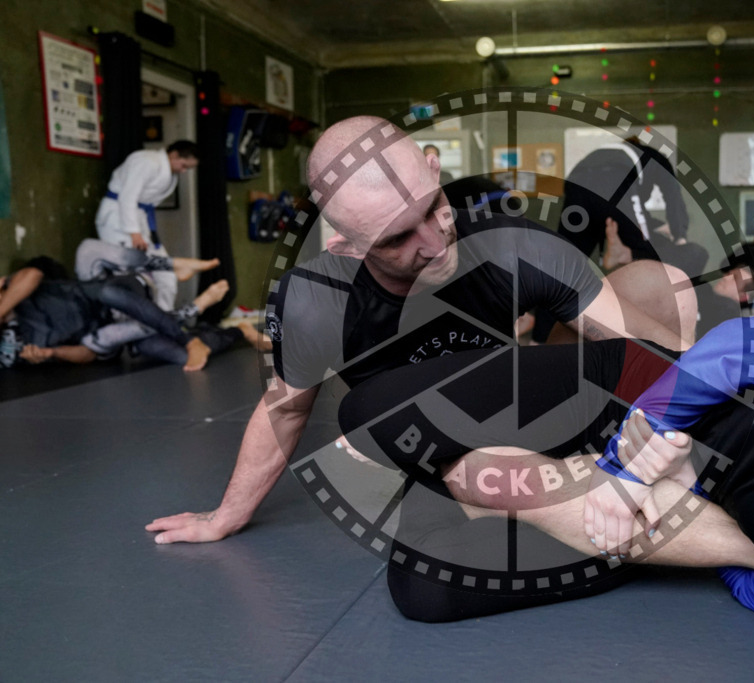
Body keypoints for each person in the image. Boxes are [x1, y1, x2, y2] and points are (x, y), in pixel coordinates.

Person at [145, 115, 697, 549]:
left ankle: (652, 460)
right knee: (476, 472)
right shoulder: (316, 301)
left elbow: (639, 352)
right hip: (444, 450)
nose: (434, 246)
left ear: (434, 169)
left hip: (515, 396)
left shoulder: (513, 243)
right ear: (346, 246)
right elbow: (286, 411)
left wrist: (674, 434)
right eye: (396, 240)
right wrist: (226, 515)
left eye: (433, 209)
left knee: (659, 282)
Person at [338, 306, 754, 647]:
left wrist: (678, 511)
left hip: (672, 515)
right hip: (640, 391)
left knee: (426, 584)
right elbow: (737, 347)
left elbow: (739, 572)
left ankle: (470, 477)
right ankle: (488, 467)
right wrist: (622, 474)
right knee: (370, 410)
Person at [531, 137, 707, 343]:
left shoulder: (607, 154)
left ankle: (538, 340)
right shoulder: (652, 156)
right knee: (652, 262)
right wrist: (679, 236)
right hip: (616, 179)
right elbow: (672, 195)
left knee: (562, 268)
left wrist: (655, 226)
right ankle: (624, 257)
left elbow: (623, 211)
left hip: (576, 186)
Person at [0, 254, 230, 371]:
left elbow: (31, 275)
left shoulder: (19, 292)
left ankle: (181, 286)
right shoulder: (18, 350)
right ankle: (238, 331)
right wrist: (51, 354)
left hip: (114, 294)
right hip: (108, 334)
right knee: (178, 357)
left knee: (109, 289)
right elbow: (87, 354)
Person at [95, 140, 200, 311]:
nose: (184, 171)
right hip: (118, 220)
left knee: (166, 273)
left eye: (188, 168)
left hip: (140, 219)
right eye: (184, 165)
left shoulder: (168, 172)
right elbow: (127, 197)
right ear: (174, 155)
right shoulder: (146, 162)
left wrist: (140, 231)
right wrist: (133, 232)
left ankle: (164, 319)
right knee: (127, 273)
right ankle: (129, 324)